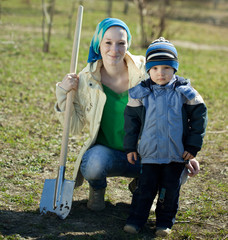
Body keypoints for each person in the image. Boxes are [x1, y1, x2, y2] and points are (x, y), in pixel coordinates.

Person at [54, 18, 201, 213]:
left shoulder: (146, 71)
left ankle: (142, 186)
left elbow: (174, 109)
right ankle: (97, 188)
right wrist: (63, 93)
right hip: (107, 155)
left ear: (128, 44)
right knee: (93, 164)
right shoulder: (86, 80)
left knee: (179, 171)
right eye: (108, 42)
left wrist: (184, 149)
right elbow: (72, 127)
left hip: (146, 153)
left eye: (121, 43)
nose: (114, 49)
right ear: (99, 44)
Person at [123, 37, 208, 237]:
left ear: (175, 69)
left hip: (175, 154)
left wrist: (192, 147)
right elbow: (131, 124)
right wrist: (130, 147)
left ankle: (164, 223)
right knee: (145, 189)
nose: (160, 73)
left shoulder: (185, 92)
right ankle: (135, 221)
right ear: (148, 70)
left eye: (166, 68)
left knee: (169, 191)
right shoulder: (140, 93)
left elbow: (199, 119)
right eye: (155, 69)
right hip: (150, 154)